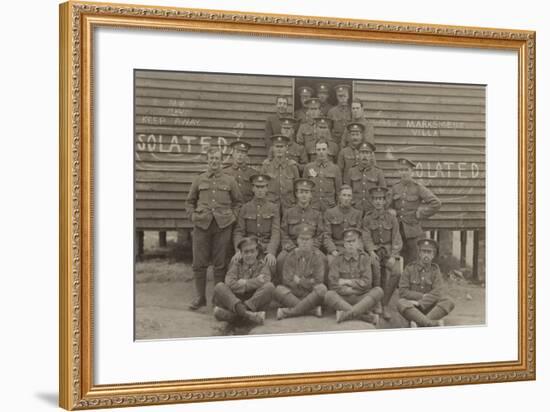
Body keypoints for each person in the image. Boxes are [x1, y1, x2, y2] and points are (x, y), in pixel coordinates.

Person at [186, 146, 243, 310]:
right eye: (211, 159)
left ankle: (218, 298)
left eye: (217, 159)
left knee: (220, 263)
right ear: (207, 160)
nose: (214, 162)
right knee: (199, 263)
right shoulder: (199, 179)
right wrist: (193, 216)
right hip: (202, 225)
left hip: (222, 225)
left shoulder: (229, 180)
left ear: (221, 160)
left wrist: (232, 216)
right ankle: (200, 297)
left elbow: (238, 202)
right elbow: (189, 201)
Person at [324, 228, 384, 324]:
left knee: (378, 291)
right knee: (328, 295)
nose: (351, 244)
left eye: (353, 241)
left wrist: (347, 282)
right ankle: (364, 316)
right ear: (344, 244)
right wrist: (349, 290)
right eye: (348, 242)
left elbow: (367, 283)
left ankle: (345, 314)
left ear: (359, 243)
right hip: (343, 298)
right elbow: (333, 283)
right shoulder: (338, 259)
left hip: (362, 297)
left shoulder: (365, 258)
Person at [389, 158, 442, 265]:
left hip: (413, 230)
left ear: (411, 171)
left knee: (414, 262)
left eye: (406, 170)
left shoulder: (418, 188)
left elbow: (436, 203)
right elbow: (388, 206)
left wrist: (421, 213)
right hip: (397, 231)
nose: (404, 173)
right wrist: (391, 211)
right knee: (398, 262)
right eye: (401, 170)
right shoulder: (395, 188)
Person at [213, 237, 275, 325]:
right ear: (241, 254)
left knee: (270, 287)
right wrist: (255, 282)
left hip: (254, 302)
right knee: (219, 286)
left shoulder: (262, 266)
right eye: (246, 252)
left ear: (257, 252)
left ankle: (236, 314)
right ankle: (248, 315)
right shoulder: (236, 265)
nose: (249, 255)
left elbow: (266, 280)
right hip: (235, 300)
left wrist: (245, 282)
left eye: (252, 251)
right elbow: (229, 283)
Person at [362, 186, 403, 320]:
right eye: (375, 199)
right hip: (375, 251)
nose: (378, 202)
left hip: (388, 251)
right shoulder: (368, 218)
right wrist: (371, 250)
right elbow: (366, 236)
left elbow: (396, 238)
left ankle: (385, 303)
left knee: (397, 272)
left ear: (385, 201)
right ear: (372, 201)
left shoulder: (391, 218)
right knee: (375, 266)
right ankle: (377, 301)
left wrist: (393, 255)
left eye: (381, 199)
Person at [276, 178, 325, 283]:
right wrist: (292, 248)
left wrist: (313, 247)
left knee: (323, 258)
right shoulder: (288, 212)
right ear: (296, 194)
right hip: (292, 246)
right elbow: (283, 233)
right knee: (281, 259)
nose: (304, 195)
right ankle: (283, 285)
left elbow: (320, 234)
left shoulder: (317, 214)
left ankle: (319, 287)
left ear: (311, 195)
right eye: (301, 192)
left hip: (310, 246)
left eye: (306, 192)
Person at [397, 238, 455, 327]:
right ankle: (431, 323)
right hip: (413, 308)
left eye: (429, 252)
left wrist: (421, 303)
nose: (426, 255)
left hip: (431, 308)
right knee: (401, 303)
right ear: (419, 254)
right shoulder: (409, 269)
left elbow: (438, 292)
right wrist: (420, 297)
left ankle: (419, 323)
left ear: (433, 255)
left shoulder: (435, 270)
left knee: (449, 301)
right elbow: (402, 291)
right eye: (424, 252)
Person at [274, 224, 327, 319]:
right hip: (293, 294)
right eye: (302, 239)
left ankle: (288, 312)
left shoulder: (317, 257)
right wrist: (308, 282)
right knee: (278, 289)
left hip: (310, 294)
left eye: (307, 239)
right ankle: (312, 310)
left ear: (312, 241)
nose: (304, 242)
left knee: (322, 288)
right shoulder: (290, 256)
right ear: (297, 240)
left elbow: (318, 280)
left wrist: (299, 281)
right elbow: (287, 280)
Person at [232, 174, 280, 274]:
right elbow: (239, 232)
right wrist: (239, 250)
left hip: (266, 247)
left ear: (267, 188)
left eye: (262, 187)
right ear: (253, 188)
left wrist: (271, 252)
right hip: (248, 247)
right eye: (257, 187)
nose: (260, 190)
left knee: (271, 265)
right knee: (234, 265)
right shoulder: (245, 208)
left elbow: (275, 232)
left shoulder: (273, 208)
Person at [323, 185, 363, 267]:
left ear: (352, 198)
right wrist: (333, 251)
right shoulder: (330, 213)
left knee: (362, 263)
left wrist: (356, 250)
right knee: (332, 263)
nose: (346, 198)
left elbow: (359, 237)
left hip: (353, 248)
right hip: (336, 247)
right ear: (339, 197)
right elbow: (327, 236)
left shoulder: (357, 214)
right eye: (344, 195)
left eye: (349, 195)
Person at [345, 141, 386, 214]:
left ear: (371, 155)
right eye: (362, 153)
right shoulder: (351, 171)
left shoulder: (378, 172)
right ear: (358, 155)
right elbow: (347, 191)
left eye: (367, 153)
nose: (364, 156)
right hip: (355, 210)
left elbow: (384, 193)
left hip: (372, 210)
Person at [261, 134, 301, 210]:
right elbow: (262, 188)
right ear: (272, 148)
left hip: (289, 206)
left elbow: (297, 188)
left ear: (286, 148)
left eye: (281, 147)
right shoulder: (266, 166)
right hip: (271, 205)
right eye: (277, 146)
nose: (279, 149)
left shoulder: (292, 166)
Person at [303, 140, 342, 212]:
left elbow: (338, 191)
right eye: (319, 149)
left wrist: (337, 208)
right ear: (315, 151)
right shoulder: (308, 167)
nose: (321, 152)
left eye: (324, 149)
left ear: (328, 150)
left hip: (329, 207)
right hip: (312, 207)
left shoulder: (335, 168)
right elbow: (304, 189)